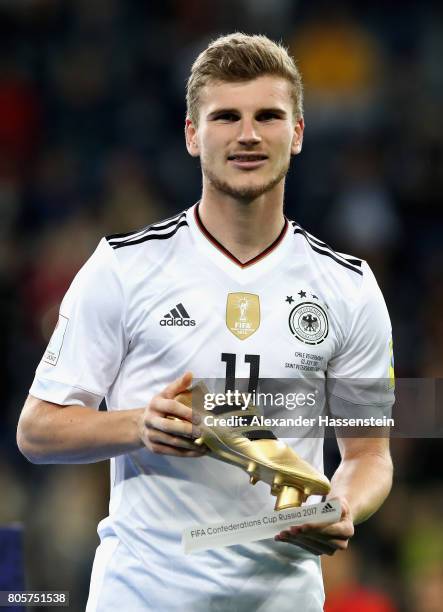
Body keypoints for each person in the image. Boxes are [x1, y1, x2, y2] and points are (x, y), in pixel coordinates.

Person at [17, 33, 394, 611]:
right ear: (193, 135)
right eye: (226, 117)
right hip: (140, 597)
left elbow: (369, 456)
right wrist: (139, 426)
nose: (248, 134)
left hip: (283, 598)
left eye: (268, 116)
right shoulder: (123, 268)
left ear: (296, 133)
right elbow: (37, 430)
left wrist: (342, 506)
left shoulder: (348, 286)